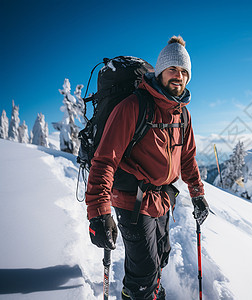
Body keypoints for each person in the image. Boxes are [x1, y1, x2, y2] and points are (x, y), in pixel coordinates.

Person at [85, 35, 209, 300]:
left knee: (160, 256)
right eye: (173, 69)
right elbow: (105, 160)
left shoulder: (182, 114)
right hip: (132, 200)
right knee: (144, 273)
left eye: (184, 71)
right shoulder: (133, 107)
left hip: (163, 199)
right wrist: (98, 211)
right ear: (161, 70)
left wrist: (198, 194)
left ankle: (148, 290)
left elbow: (187, 159)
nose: (179, 76)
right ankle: (141, 292)